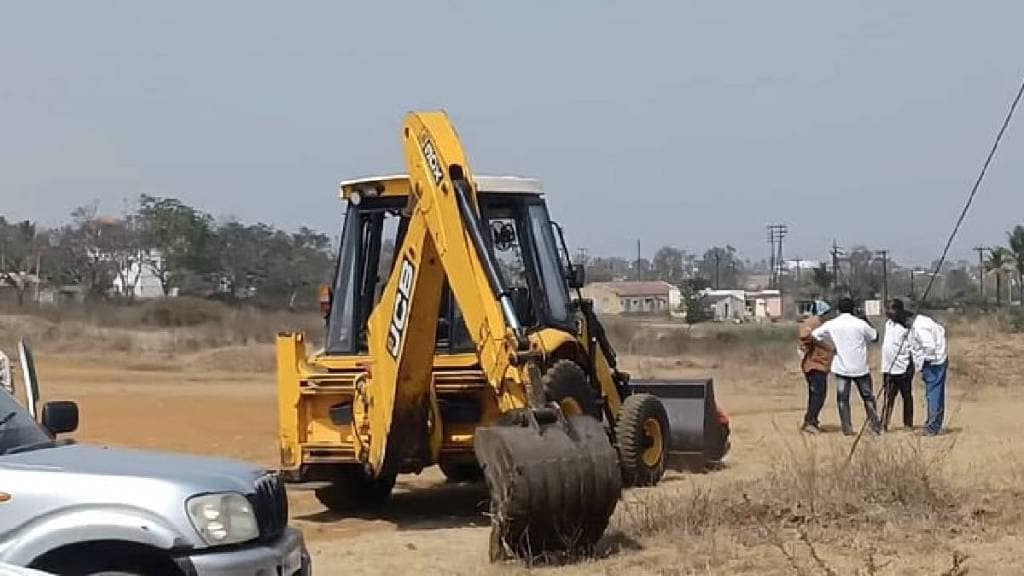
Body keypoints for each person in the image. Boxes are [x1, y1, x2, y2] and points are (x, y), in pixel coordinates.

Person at [811, 296, 882, 435]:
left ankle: (847, 428)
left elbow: (814, 335)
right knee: (868, 397)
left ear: (838, 310)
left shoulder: (832, 323)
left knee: (843, 399)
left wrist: (830, 346)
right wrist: (865, 319)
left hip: (841, 367)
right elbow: (875, 337)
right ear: (853, 309)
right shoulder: (860, 324)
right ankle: (874, 425)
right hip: (860, 367)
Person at [908, 310, 948, 436]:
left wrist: (924, 363)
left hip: (933, 364)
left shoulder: (920, 326)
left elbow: (929, 347)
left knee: (933, 395)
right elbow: (940, 330)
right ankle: (934, 424)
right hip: (938, 360)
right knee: (936, 394)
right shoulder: (924, 321)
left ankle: (932, 427)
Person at [798, 300, 835, 433]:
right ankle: (809, 422)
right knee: (818, 395)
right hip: (815, 364)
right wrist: (820, 344)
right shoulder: (814, 323)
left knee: (816, 395)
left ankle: (812, 420)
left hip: (820, 364)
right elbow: (805, 337)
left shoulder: (821, 324)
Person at [880, 299, 914, 431]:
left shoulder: (906, 329)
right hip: (888, 368)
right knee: (888, 398)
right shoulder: (888, 324)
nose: (889, 312)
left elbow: (912, 349)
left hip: (902, 368)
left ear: (899, 311)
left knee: (906, 397)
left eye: (892, 309)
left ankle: (908, 424)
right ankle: (884, 423)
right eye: (887, 309)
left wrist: (910, 368)